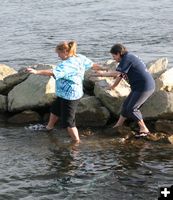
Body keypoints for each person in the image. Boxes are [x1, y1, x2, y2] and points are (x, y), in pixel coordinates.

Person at [27, 41, 100, 143]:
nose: (58, 56)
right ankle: (49, 127)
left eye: (59, 53)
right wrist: (104, 68)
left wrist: (37, 71)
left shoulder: (67, 64)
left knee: (68, 122)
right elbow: (92, 65)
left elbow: (53, 72)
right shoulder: (79, 57)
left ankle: (76, 142)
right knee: (55, 108)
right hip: (66, 92)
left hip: (70, 95)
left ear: (65, 51)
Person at [94, 43, 155, 137]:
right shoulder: (128, 57)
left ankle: (144, 128)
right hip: (138, 86)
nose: (113, 58)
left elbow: (117, 73)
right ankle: (118, 125)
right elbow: (121, 74)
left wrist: (101, 74)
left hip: (144, 87)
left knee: (132, 108)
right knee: (126, 105)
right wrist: (113, 86)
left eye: (114, 56)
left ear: (119, 53)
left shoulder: (127, 58)